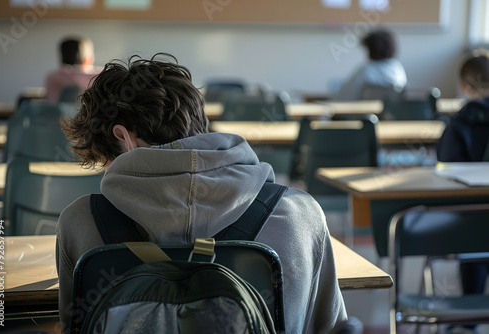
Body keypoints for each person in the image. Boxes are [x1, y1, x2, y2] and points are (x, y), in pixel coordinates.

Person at [56, 53, 348, 333]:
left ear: (124, 139)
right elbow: (333, 327)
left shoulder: (80, 222)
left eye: (105, 163)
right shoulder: (300, 213)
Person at [436, 50, 489, 334]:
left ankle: (468, 320)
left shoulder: (460, 122)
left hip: (468, 221)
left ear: (464, 86)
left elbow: (443, 167)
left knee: (472, 236)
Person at [335, 28, 407, 101]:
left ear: (370, 50)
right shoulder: (397, 69)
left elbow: (344, 96)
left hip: (364, 111)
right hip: (391, 112)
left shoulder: (365, 71)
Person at [45, 36, 97, 104]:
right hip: (87, 113)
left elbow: (49, 99)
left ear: (62, 59)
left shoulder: (52, 77)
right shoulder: (96, 77)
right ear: (88, 60)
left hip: (58, 114)